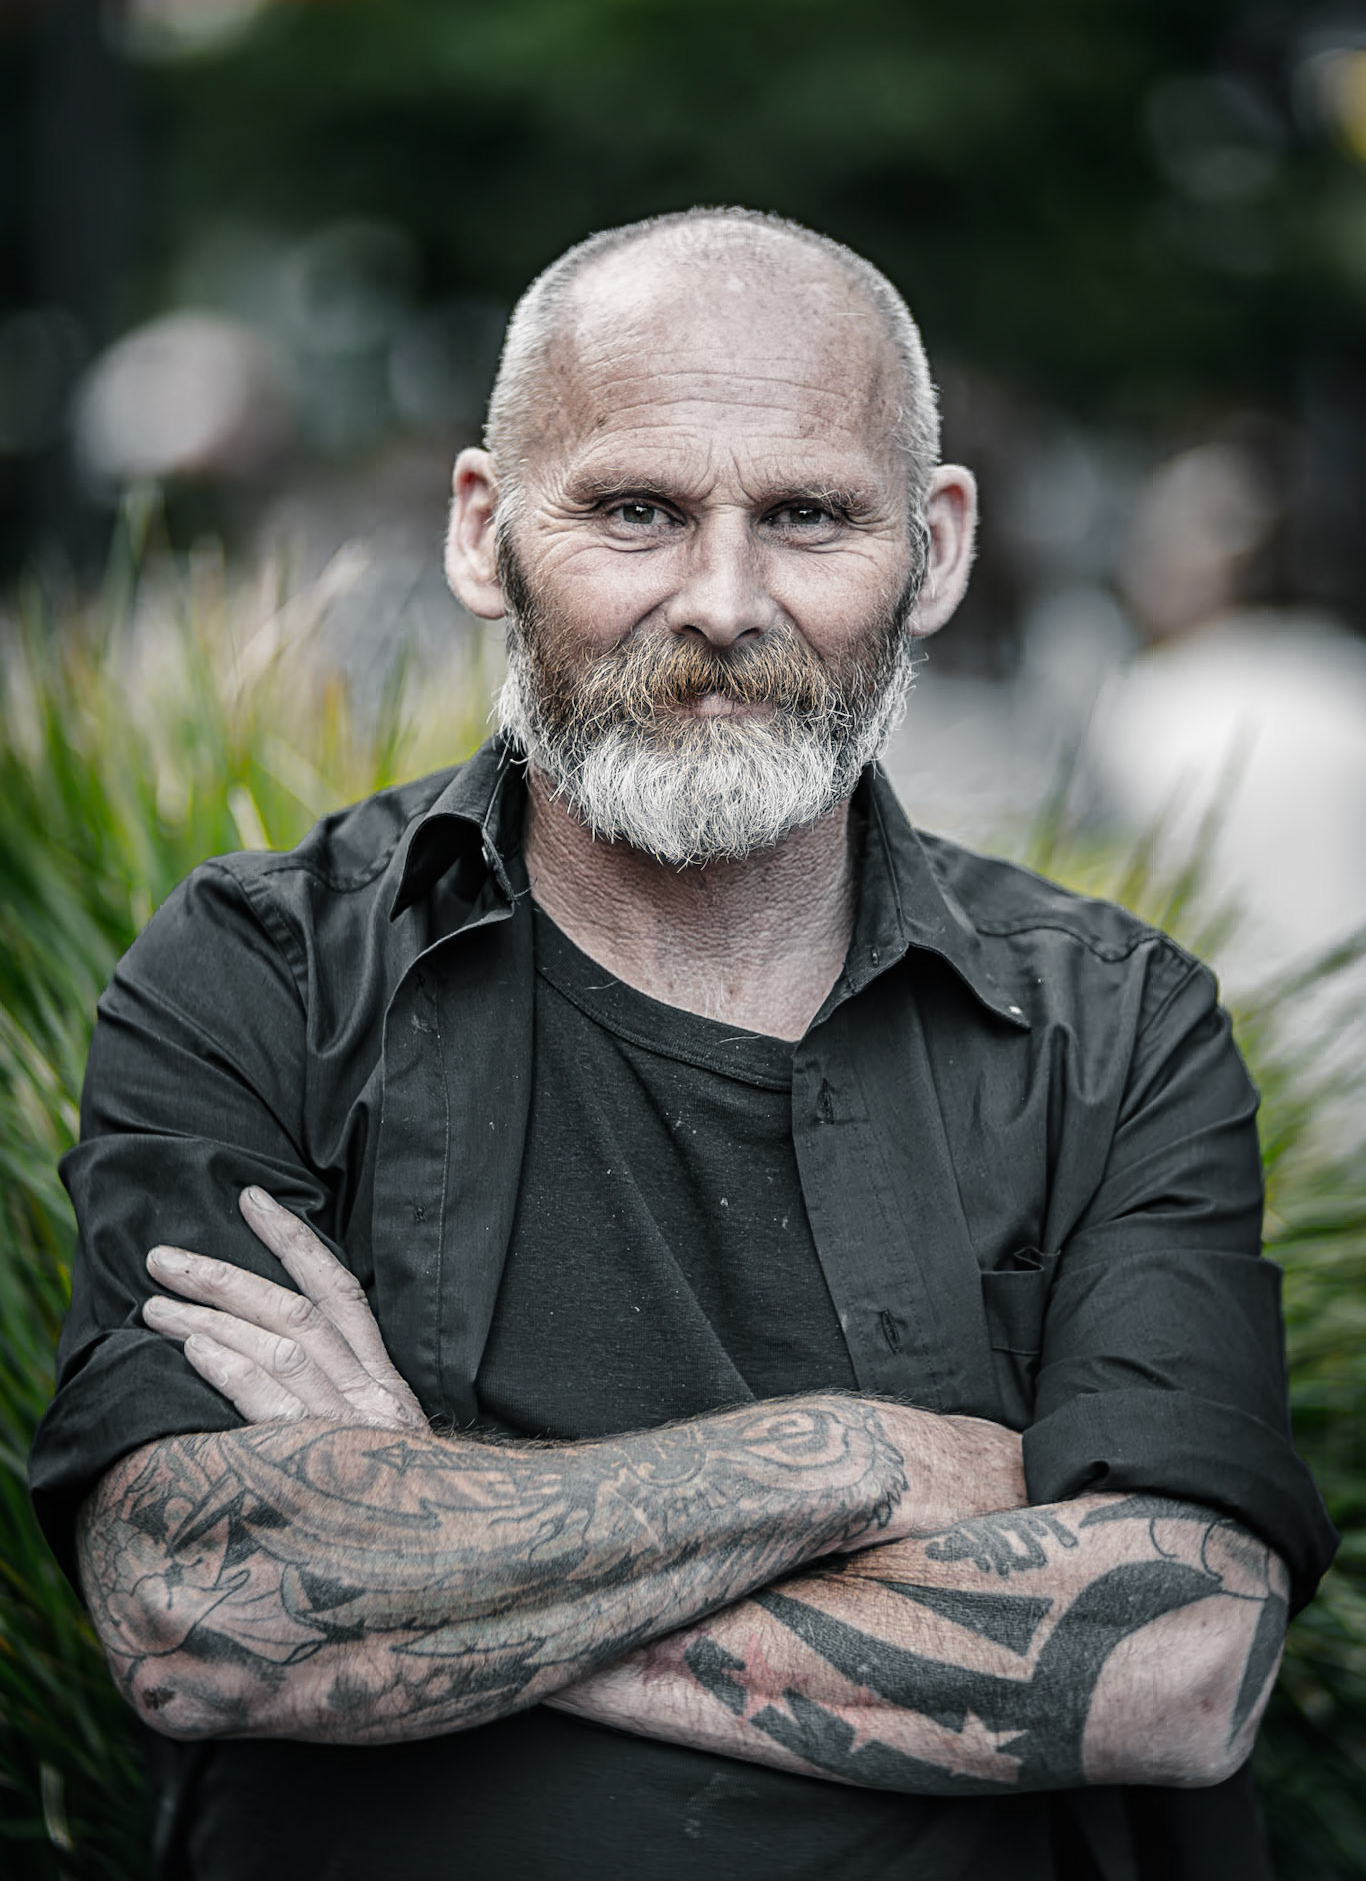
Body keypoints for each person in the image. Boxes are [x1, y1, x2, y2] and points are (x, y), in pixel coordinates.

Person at [30, 209, 1335, 1881]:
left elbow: (1170, 1667)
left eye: (806, 516)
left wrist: (420, 1540)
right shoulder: (262, 977)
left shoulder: (1108, 1024)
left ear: (934, 550)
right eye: (636, 511)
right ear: (483, 530)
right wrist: (874, 1461)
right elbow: (206, 1607)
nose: (722, 601)